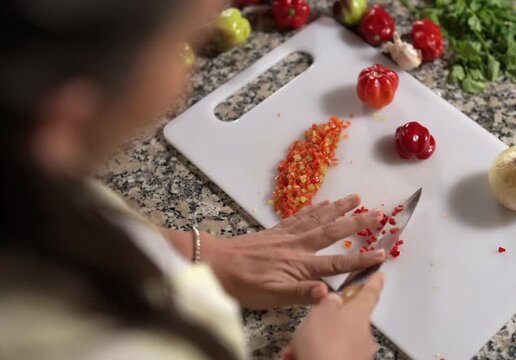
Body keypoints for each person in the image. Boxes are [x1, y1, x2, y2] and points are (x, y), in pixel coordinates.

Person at [0, 1, 387, 359]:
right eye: (180, 43)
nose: (188, 74)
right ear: (69, 115)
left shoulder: (29, 169)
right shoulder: (118, 348)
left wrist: (198, 256)